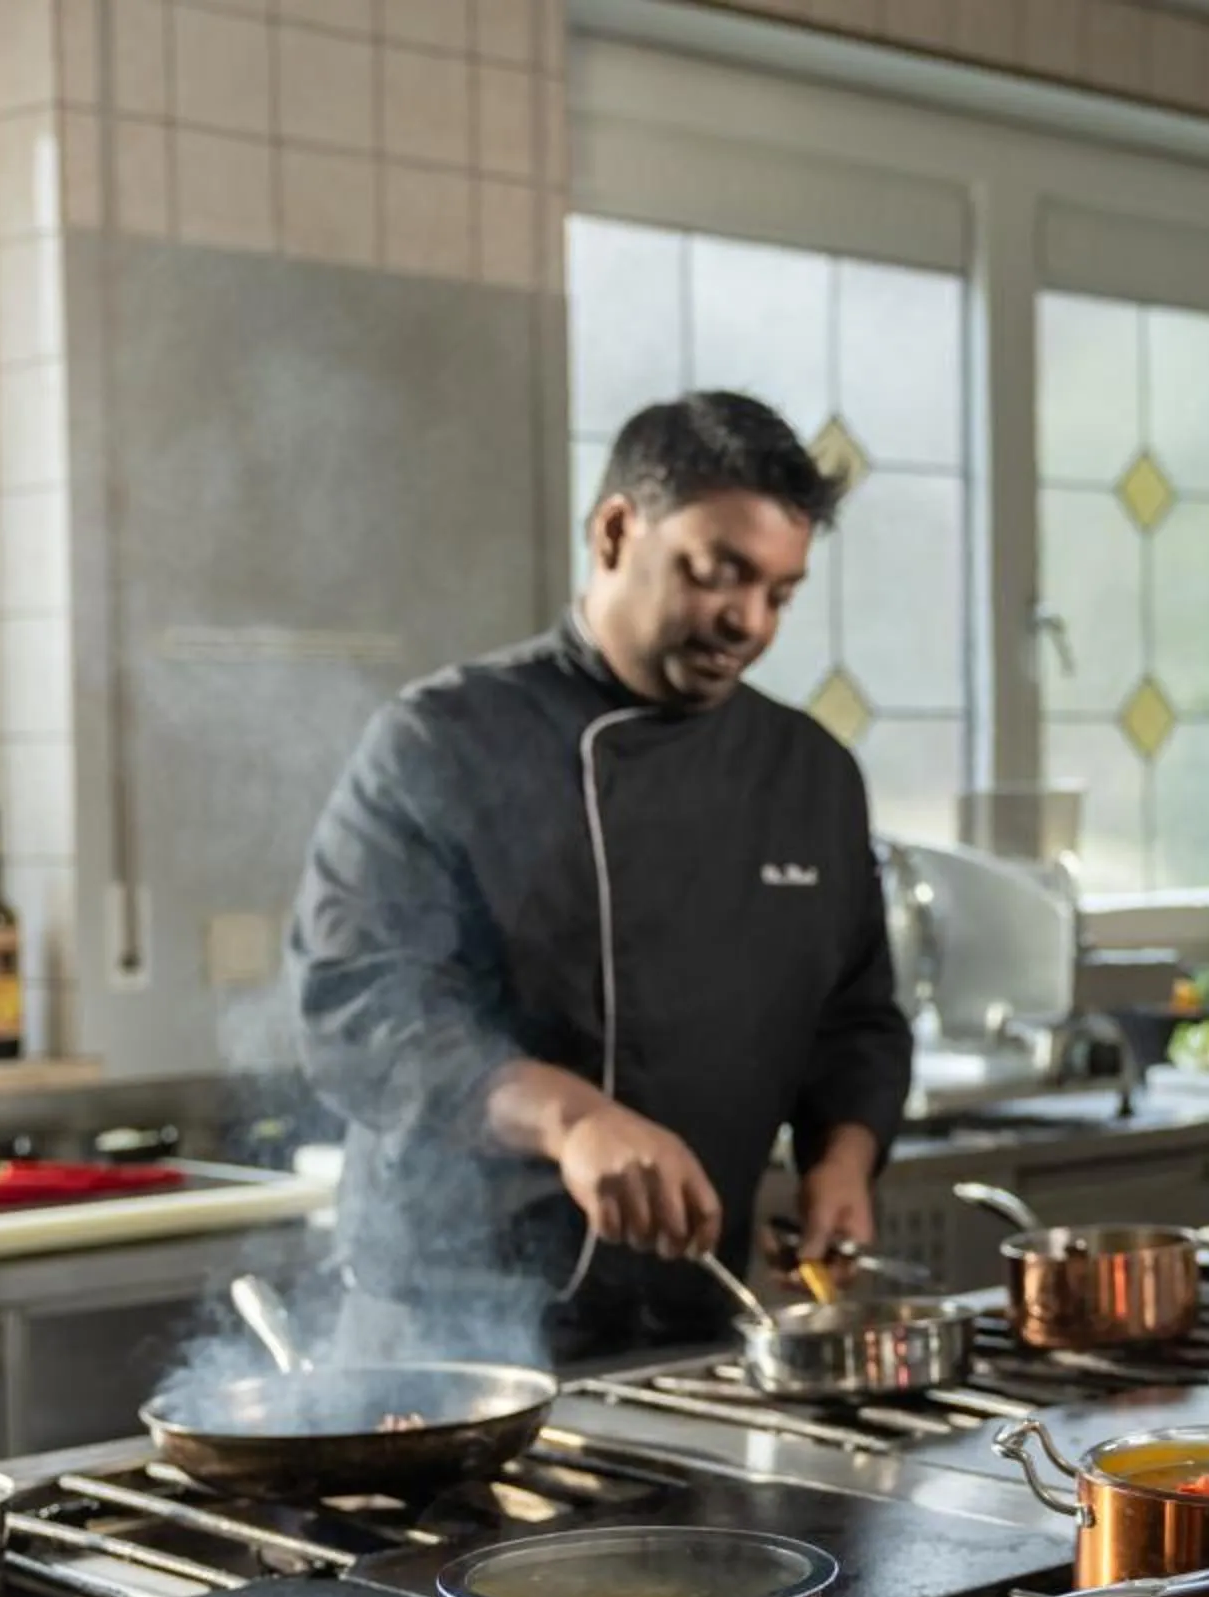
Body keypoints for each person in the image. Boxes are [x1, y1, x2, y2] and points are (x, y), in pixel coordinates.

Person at [290, 390, 911, 1363]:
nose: (748, 620)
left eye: (781, 592)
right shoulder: (442, 741)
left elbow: (856, 1019)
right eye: (719, 574)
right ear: (617, 530)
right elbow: (359, 1011)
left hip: (696, 1327)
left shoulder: (811, 776)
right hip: (446, 1333)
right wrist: (572, 1118)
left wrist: (844, 1160)